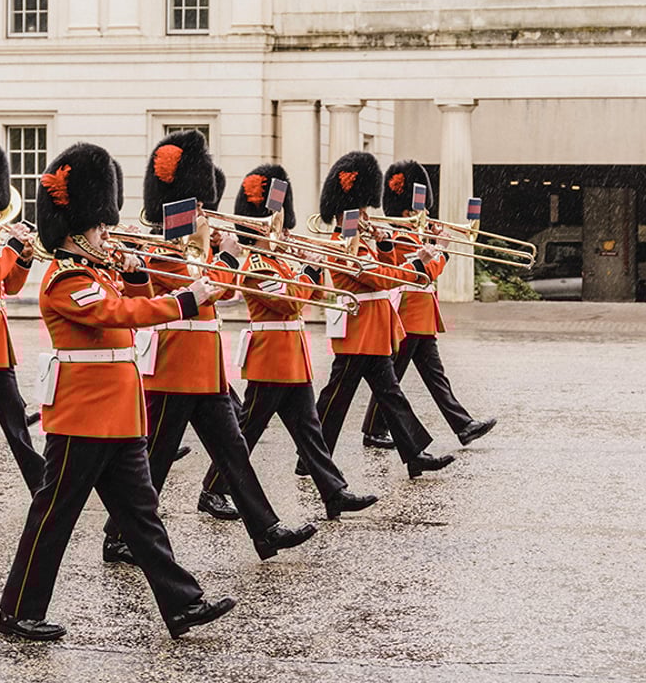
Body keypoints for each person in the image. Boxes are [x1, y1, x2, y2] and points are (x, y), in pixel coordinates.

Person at [0, 142, 234, 641]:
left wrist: (137, 274)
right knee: (54, 516)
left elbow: (133, 300)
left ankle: (182, 604)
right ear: (77, 230)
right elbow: (119, 315)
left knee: (142, 517)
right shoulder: (66, 280)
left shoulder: (97, 274)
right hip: (84, 417)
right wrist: (186, 301)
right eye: (100, 227)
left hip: (119, 417)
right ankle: (18, 611)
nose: (107, 233)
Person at [103, 130, 316, 564]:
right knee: (155, 459)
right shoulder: (161, 250)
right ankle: (117, 535)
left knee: (233, 451)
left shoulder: (195, 247)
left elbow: (225, 293)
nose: (203, 211)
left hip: (206, 370)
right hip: (175, 367)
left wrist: (221, 255)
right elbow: (198, 289)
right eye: (197, 203)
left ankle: (265, 530)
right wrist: (227, 259)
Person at [210, 164, 378, 519]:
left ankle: (334, 492)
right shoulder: (257, 266)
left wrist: (310, 269)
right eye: (276, 224)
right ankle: (212, 488)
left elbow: (307, 296)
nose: (283, 231)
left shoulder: (278, 262)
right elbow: (289, 302)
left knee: (310, 432)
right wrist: (310, 270)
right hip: (271, 360)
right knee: (246, 431)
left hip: (292, 358)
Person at [299, 151, 455, 480]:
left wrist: (384, 246)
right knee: (335, 399)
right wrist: (418, 263)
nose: (368, 216)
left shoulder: (361, 242)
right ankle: (310, 458)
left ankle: (414, 454)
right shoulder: (344, 244)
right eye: (363, 210)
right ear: (349, 211)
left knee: (391, 395)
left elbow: (383, 269)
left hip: (374, 330)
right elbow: (380, 279)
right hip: (358, 332)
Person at [361, 160, 497, 449]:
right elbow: (424, 273)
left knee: (436, 379)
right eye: (419, 209)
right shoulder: (400, 237)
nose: (425, 213)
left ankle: (463, 426)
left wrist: (435, 244)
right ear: (406, 211)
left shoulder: (415, 235)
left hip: (421, 316)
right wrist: (443, 252)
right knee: (391, 379)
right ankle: (373, 430)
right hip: (408, 313)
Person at [0, 142, 45, 494]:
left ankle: (40, 483)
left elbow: (8, 285)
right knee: (14, 421)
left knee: (15, 424)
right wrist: (10, 249)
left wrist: (22, 257)